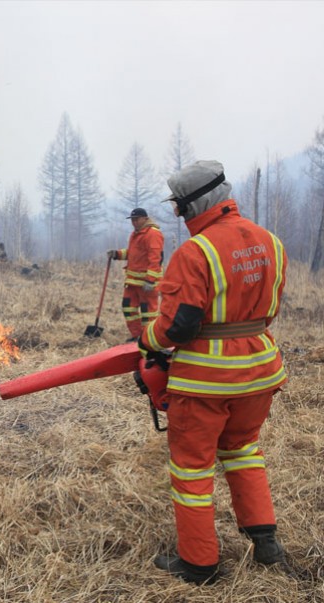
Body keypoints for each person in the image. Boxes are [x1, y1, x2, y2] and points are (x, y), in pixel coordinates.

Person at [138, 160, 288, 585]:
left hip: (206, 382)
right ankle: (266, 543)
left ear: (194, 204)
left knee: (192, 468)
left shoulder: (196, 252)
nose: (179, 218)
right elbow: (268, 311)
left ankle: (199, 564)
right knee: (243, 451)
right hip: (259, 373)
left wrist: (146, 340)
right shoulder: (271, 242)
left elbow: (176, 327)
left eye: (180, 210)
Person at [107, 207, 164, 341]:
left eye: (136, 219)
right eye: (132, 220)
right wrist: (117, 254)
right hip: (132, 282)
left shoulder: (153, 234)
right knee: (128, 308)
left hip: (146, 283)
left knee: (148, 313)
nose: (134, 222)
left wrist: (150, 280)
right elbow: (134, 253)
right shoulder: (136, 233)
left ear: (145, 219)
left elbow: (155, 258)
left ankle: (148, 340)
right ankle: (136, 336)